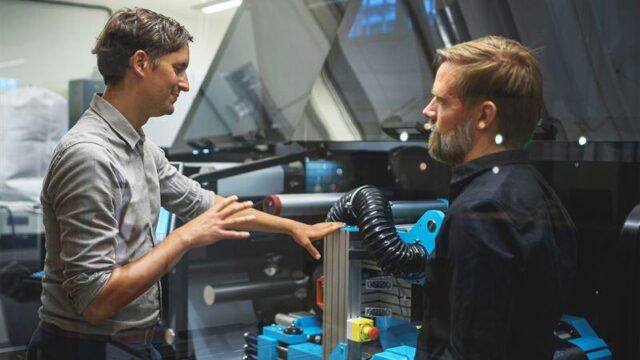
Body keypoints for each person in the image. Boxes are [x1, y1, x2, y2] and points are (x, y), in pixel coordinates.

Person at [26, 8, 343, 360]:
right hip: (84, 349)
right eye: (177, 68)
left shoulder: (141, 148)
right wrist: (184, 237)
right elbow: (96, 302)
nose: (185, 83)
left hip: (131, 343)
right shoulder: (90, 155)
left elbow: (205, 205)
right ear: (141, 63)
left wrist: (293, 227)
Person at [416, 36, 577, 359]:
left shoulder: (479, 212)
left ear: (484, 116)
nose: (428, 111)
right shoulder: (538, 191)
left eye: (442, 101)